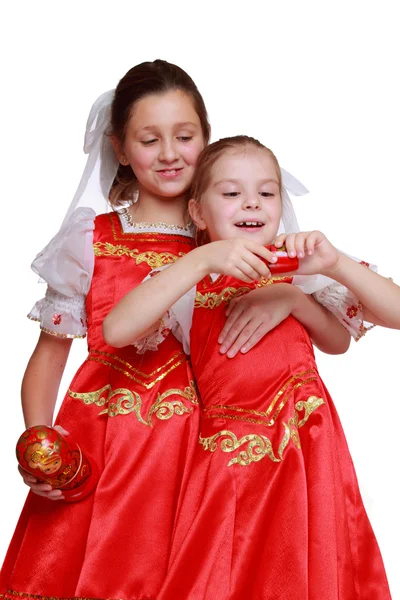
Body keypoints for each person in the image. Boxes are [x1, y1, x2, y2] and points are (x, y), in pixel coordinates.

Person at [103, 136, 397, 599]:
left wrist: (321, 274)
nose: (252, 204)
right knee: (223, 579)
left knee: (307, 570)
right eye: (232, 193)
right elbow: (116, 330)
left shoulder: (295, 265)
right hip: (228, 466)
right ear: (198, 213)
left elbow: (348, 335)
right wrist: (200, 260)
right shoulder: (188, 281)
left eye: (266, 192)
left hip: (308, 454)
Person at [0, 59, 211, 600]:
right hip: (107, 443)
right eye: (149, 139)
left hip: (202, 450)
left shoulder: (229, 229)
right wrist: (38, 439)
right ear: (120, 147)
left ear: (206, 139)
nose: (169, 154)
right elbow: (50, 356)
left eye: (184, 136)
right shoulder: (90, 240)